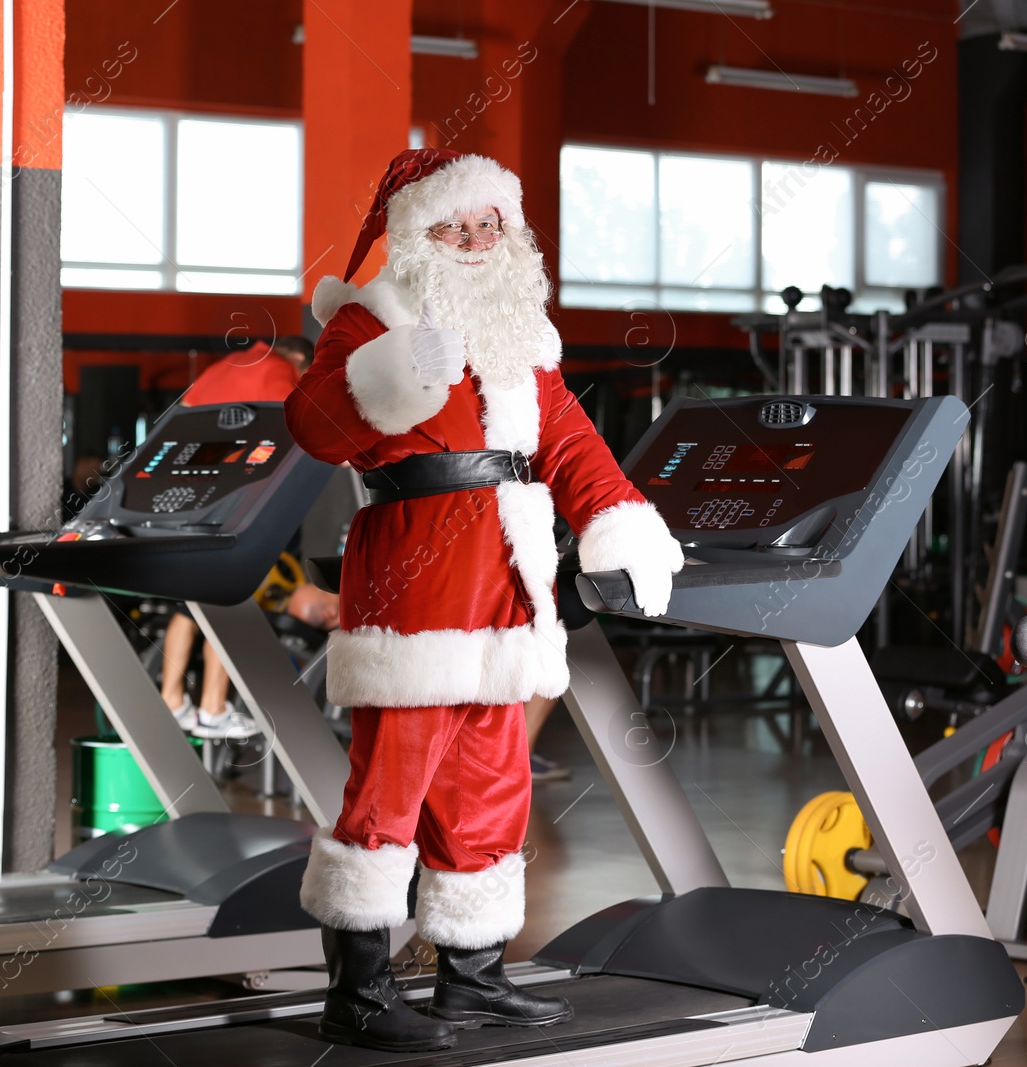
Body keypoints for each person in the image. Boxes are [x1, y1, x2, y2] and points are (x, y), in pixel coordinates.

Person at [285, 148, 683, 1052]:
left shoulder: (518, 336)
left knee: (490, 788)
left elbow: (572, 444)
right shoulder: (368, 318)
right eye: (452, 225)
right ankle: (357, 989)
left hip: (507, 594)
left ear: (509, 235)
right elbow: (314, 425)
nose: (471, 239)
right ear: (414, 234)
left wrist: (619, 521)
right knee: (388, 790)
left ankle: (472, 977)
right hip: (412, 592)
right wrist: (399, 374)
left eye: (487, 224)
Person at [159, 336, 338, 739]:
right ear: (300, 361)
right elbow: (303, 428)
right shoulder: (279, 371)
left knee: (187, 608)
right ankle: (212, 707)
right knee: (230, 603)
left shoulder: (223, 368)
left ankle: (173, 701)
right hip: (237, 506)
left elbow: (179, 425)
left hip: (191, 501)